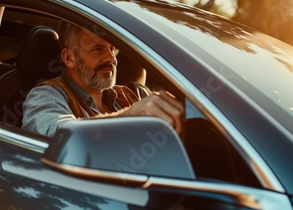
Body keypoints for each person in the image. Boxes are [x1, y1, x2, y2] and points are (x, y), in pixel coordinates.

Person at [22, 21, 184, 137]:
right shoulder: (45, 96)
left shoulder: (133, 95)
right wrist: (131, 116)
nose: (111, 58)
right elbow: (63, 135)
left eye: (112, 49)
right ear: (69, 58)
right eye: (97, 49)